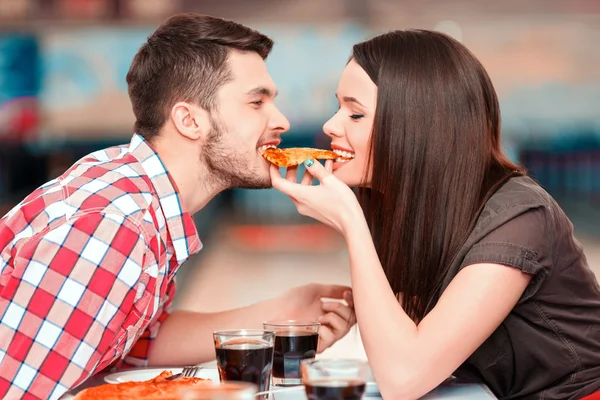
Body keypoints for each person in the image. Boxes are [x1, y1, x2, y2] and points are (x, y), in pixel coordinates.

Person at [0, 14, 355, 399]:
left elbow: (130, 340)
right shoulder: (115, 227)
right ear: (188, 120)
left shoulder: (136, 189)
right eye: (257, 102)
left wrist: (279, 313)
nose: (282, 121)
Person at [271, 30, 600, 400]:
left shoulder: (518, 219)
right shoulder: (394, 203)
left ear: (418, 126)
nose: (330, 125)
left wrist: (351, 222)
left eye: (355, 113)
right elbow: (408, 344)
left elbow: (403, 378)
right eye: (338, 107)